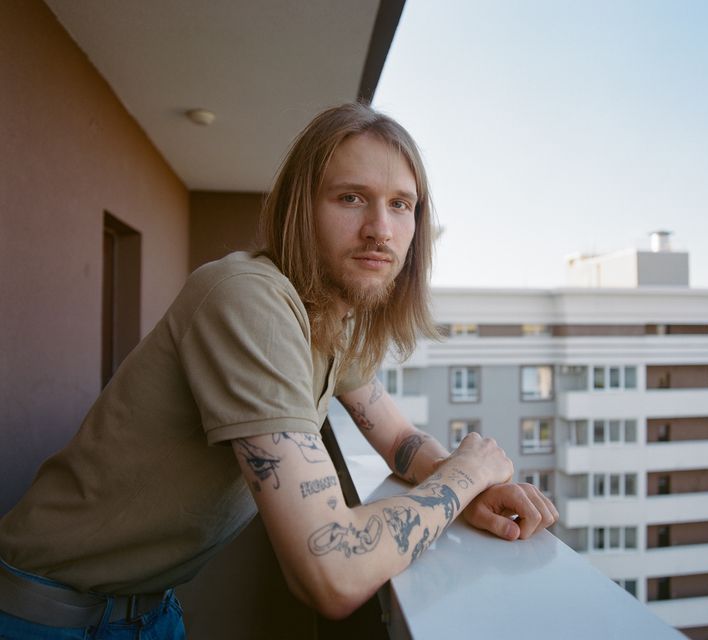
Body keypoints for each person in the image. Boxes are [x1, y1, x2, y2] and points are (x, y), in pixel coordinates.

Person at [0, 102, 558, 639]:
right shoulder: (251, 300)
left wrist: (472, 488)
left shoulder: (328, 320)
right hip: (45, 613)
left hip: (147, 608)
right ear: (300, 206)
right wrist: (463, 477)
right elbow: (331, 572)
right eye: (350, 197)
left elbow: (399, 438)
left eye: (400, 205)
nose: (379, 230)